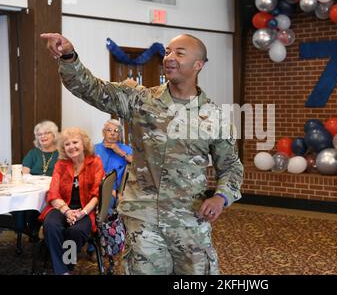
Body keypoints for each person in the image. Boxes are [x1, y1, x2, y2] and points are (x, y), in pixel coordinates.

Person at [41, 32, 243, 275]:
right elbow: (92, 89)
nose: (169, 57)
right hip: (143, 219)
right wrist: (68, 56)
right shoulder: (141, 100)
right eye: (167, 52)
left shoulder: (214, 116)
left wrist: (221, 197)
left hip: (189, 220)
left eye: (179, 53)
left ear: (197, 65)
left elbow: (231, 167)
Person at [39, 127, 105, 275]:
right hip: (61, 207)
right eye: (67, 144)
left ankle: (66, 265)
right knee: (51, 225)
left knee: (76, 231)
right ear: (63, 148)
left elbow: (96, 195)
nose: (71, 147)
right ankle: (62, 272)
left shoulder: (95, 163)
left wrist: (82, 213)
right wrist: (67, 211)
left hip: (86, 209)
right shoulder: (60, 165)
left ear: (83, 144)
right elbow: (53, 193)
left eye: (75, 142)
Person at [11, 120, 59, 254]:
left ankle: (43, 233)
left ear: (54, 135)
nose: (42, 136)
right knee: (25, 203)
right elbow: (24, 174)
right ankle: (31, 231)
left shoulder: (61, 153)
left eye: (46, 133)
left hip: (53, 191)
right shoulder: (33, 153)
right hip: (34, 190)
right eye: (39, 134)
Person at [94, 119, 132, 210]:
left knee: (107, 202)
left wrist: (120, 152)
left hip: (114, 192)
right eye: (109, 130)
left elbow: (137, 164)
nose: (112, 133)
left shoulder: (126, 149)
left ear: (119, 135)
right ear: (103, 133)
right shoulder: (94, 149)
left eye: (116, 131)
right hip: (94, 188)